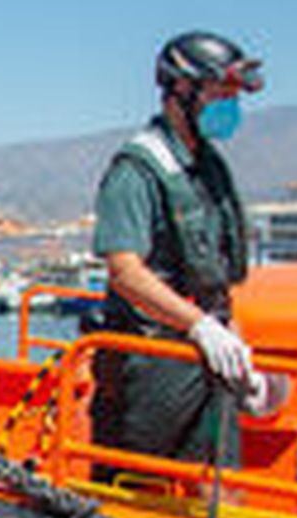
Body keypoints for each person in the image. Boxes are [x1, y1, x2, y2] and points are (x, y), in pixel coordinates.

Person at [89, 31, 266, 474]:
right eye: (220, 96)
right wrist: (199, 326)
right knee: (139, 484)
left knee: (218, 479)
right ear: (182, 91)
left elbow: (215, 280)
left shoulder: (209, 169)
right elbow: (125, 271)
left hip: (208, 357)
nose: (229, 108)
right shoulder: (137, 172)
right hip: (151, 365)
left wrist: (234, 344)